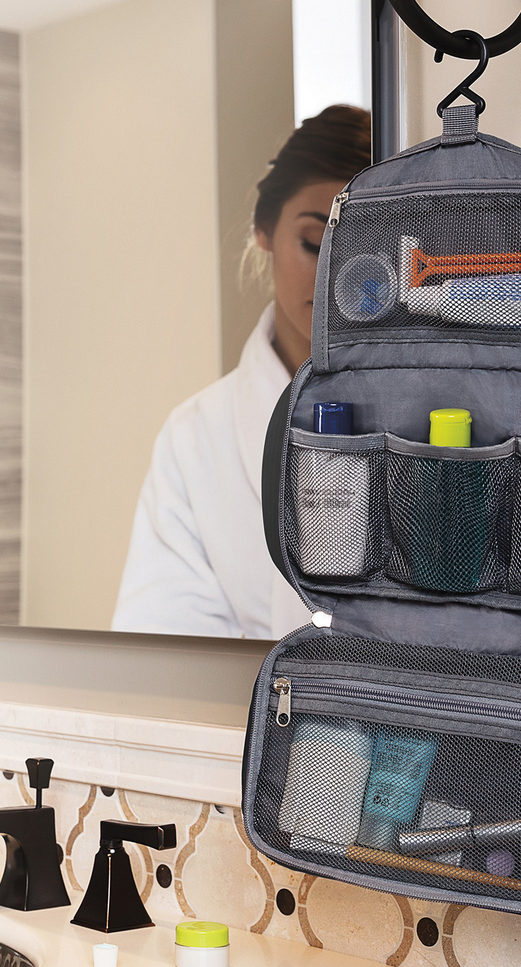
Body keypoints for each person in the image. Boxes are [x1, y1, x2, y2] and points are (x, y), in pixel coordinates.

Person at [112, 106, 372, 638]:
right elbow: (165, 652)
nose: (336, 277)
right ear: (264, 231)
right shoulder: (196, 439)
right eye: (314, 244)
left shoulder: (437, 413)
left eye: (364, 251)